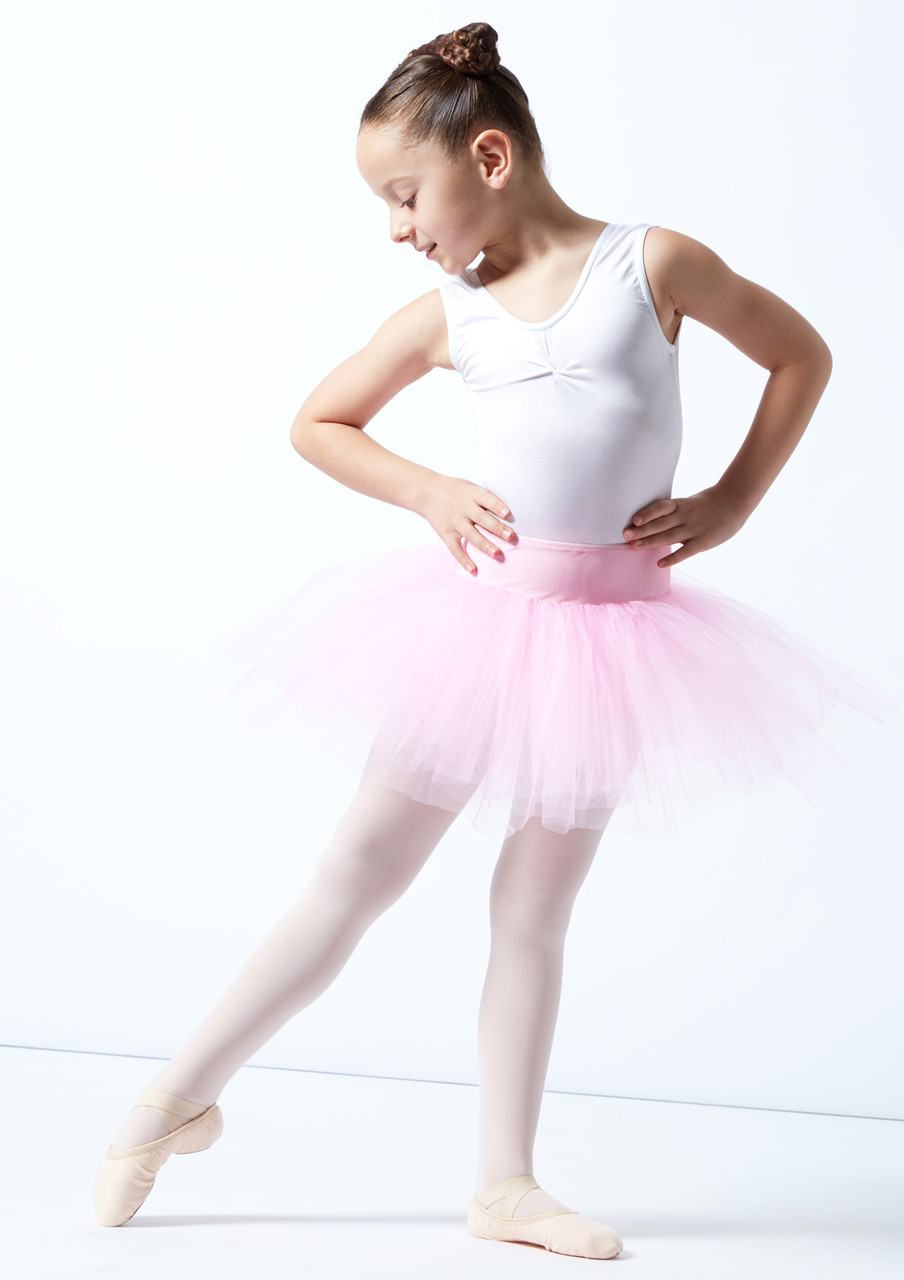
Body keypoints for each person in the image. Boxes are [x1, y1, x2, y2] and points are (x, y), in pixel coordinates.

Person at [93, 20, 895, 1261]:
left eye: (403, 195)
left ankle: (504, 1182)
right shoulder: (448, 317)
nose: (398, 227)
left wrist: (733, 498)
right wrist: (425, 490)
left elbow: (801, 352)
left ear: (489, 155)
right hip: (481, 631)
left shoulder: (653, 264)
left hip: (614, 641)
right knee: (357, 871)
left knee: (533, 909)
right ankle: (172, 1095)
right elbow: (320, 420)